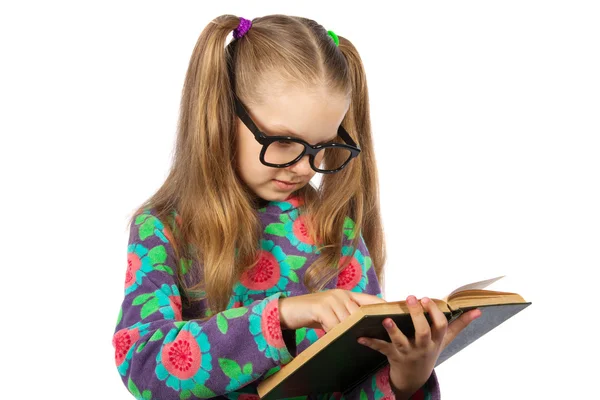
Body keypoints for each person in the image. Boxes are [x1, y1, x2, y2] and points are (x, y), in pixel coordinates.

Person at [112, 14, 481, 400]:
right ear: (222, 114)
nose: (305, 168)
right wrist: (284, 314)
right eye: (284, 142)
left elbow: (355, 381)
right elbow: (143, 363)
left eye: (323, 147)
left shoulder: (334, 230)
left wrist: (407, 377)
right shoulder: (163, 228)